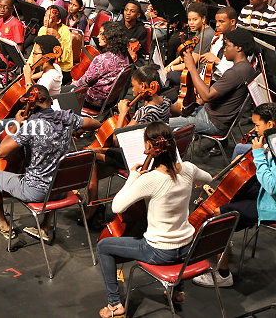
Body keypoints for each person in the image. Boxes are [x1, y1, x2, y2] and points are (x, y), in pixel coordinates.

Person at [96, 121, 213, 317]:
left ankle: (115, 304)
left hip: (160, 252)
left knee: (103, 246)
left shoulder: (149, 180)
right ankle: (177, 291)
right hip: (188, 248)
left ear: (150, 147)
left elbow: (117, 206)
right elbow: (208, 178)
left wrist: (133, 176)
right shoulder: (188, 168)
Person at [0, 84, 101, 241]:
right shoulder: (66, 118)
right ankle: (45, 227)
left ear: (29, 105)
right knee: (54, 167)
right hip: (62, 188)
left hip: (37, 191)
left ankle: (4, 224)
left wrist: (17, 125)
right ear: (51, 101)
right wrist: (75, 129)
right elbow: (96, 124)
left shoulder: (31, 126)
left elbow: (1, 152)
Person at [191, 103, 276, 288]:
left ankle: (223, 274)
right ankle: (223, 239)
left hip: (271, 205)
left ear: (270, 124)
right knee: (233, 193)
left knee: (221, 214)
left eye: (257, 125)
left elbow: (272, 186)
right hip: (265, 195)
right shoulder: (272, 139)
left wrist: (259, 155)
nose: (254, 129)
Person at [86, 66, 172, 220]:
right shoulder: (165, 102)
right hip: (155, 154)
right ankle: (94, 199)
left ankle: (92, 207)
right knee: (100, 155)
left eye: (134, 86)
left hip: (139, 157)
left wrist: (122, 114)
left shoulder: (144, 112)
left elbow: (117, 140)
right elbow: (178, 111)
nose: (133, 91)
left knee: (90, 154)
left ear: (145, 87)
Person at [169, 28, 257, 138]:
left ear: (239, 48)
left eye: (228, 46)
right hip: (210, 112)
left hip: (212, 122)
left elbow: (207, 96)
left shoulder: (236, 72)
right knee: (171, 109)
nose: (224, 49)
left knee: (164, 125)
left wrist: (191, 67)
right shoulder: (247, 68)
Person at [72, 21, 131, 110]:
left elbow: (84, 82)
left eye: (101, 34)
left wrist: (72, 85)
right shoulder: (125, 56)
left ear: (109, 37)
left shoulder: (102, 59)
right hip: (110, 101)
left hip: (93, 101)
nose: (98, 37)